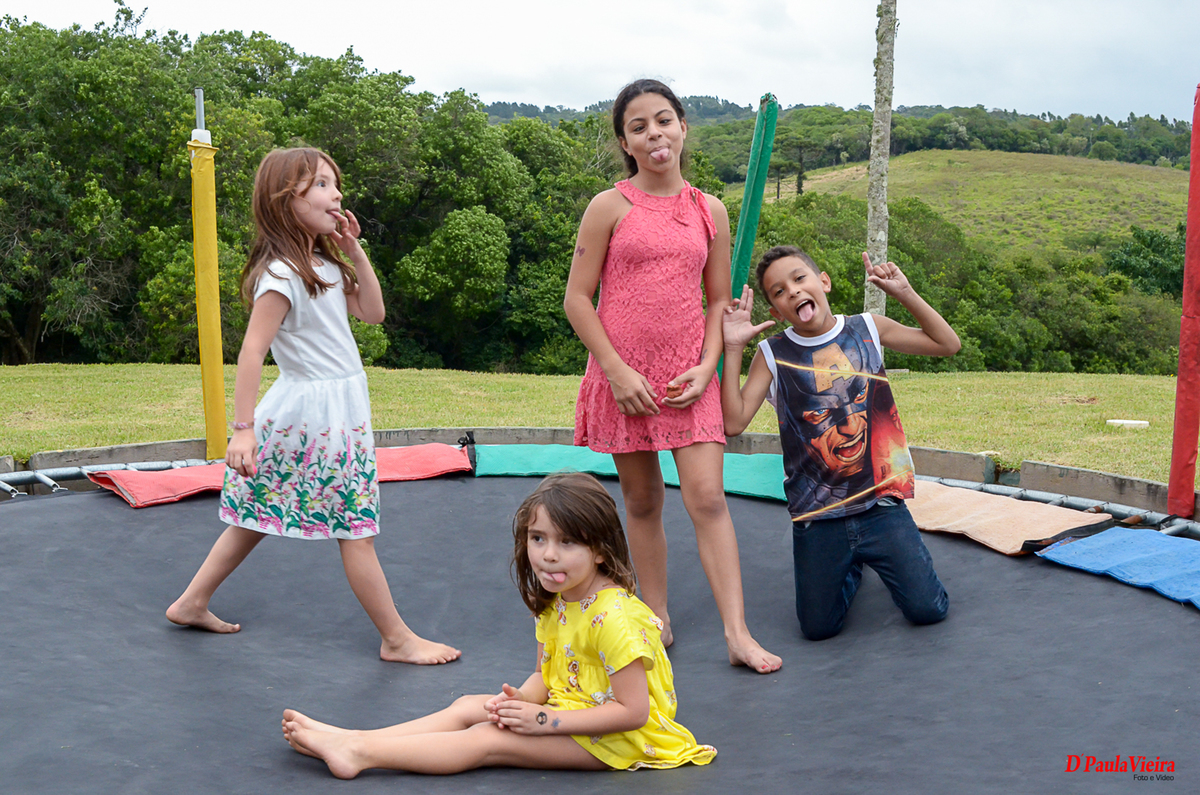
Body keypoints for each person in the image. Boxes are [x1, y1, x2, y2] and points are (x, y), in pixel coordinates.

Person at [166, 147, 459, 665]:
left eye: (334, 183)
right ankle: (396, 638)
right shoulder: (281, 274)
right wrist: (241, 429)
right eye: (322, 184)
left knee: (256, 515)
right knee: (356, 528)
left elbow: (373, 311)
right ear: (286, 200)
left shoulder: (323, 264)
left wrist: (354, 252)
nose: (337, 193)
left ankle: (191, 601)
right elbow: (253, 351)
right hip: (311, 418)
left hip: (333, 412)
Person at [279, 472, 717, 778]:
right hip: (572, 713)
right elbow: (549, 674)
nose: (548, 555)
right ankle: (355, 737)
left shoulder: (615, 618)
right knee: (474, 705)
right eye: (538, 538)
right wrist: (523, 700)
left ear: (601, 550)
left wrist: (541, 719)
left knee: (488, 739)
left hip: (624, 740)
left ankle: (358, 753)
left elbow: (634, 712)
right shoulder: (558, 599)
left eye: (567, 543)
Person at [563, 79, 780, 673]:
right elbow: (578, 300)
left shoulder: (708, 210)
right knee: (642, 499)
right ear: (626, 143)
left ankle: (737, 633)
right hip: (624, 378)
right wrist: (615, 370)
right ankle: (654, 615)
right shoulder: (609, 207)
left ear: (683, 127)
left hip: (690, 374)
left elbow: (717, 300)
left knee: (708, 498)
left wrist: (710, 365)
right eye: (639, 126)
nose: (654, 133)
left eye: (663, 120)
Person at [721, 246, 959, 641]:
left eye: (800, 279)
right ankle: (851, 566)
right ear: (776, 312)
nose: (793, 292)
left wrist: (905, 293)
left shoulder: (868, 328)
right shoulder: (771, 354)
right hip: (818, 516)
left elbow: (947, 344)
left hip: (880, 503)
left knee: (927, 610)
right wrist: (732, 349)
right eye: (779, 292)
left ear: (823, 282)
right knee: (818, 628)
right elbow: (733, 421)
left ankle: (871, 556)